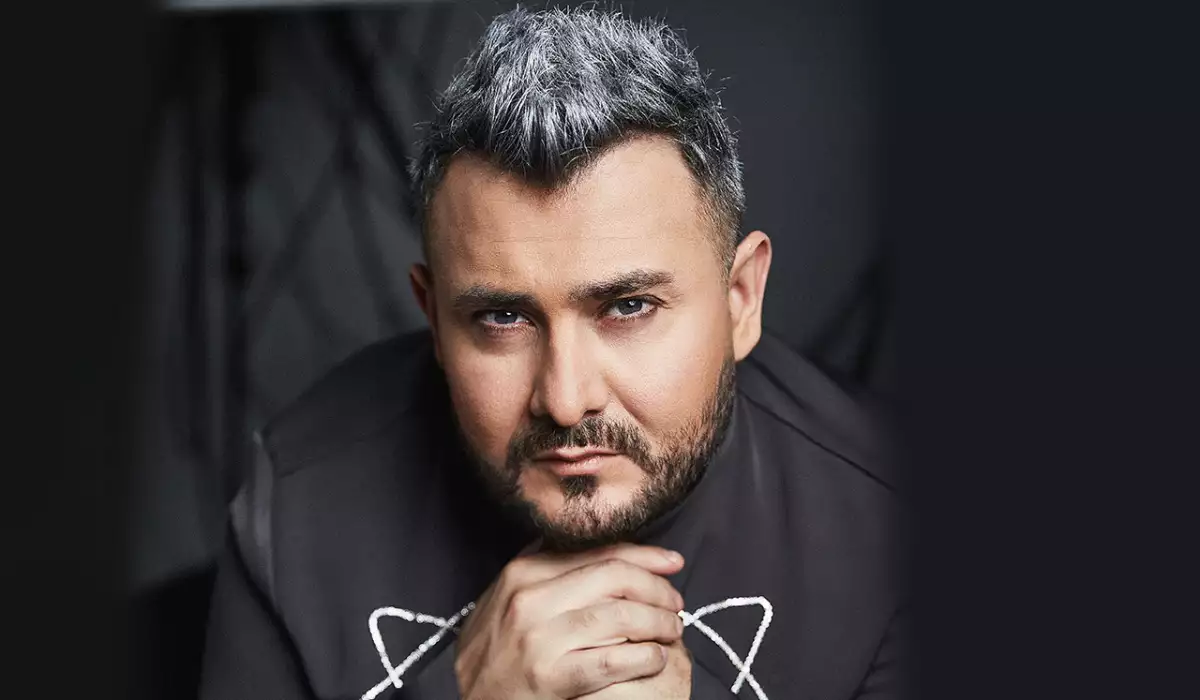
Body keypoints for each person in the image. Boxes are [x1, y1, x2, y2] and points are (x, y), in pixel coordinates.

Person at [200, 7, 904, 700]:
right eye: (502, 318)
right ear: (434, 317)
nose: (566, 401)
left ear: (741, 299)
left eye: (628, 307)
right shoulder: (297, 509)